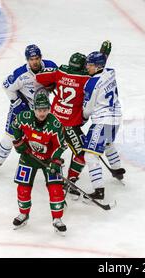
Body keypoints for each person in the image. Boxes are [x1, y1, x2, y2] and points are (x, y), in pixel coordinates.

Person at [35, 41, 112, 198]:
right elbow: (98, 71)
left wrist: (52, 84)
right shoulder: (86, 79)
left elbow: (40, 78)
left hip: (53, 119)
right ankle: (69, 181)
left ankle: (56, 172)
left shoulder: (60, 72)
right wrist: (104, 54)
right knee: (81, 154)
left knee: (55, 148)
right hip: (69, 125)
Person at [0, 44, 57, 176]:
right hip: (23, 107)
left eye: (36, 58)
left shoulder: (51, 67)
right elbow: (6, 86)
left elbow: (59, 80)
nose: (34, 61)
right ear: (27, 60)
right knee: (10, 136)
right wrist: (17, 103)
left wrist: (55, 85)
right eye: (31, 59)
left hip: (43, 109)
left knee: (49, 135)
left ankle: (53, 161)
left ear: (41, 57)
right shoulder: (21, 74)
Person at [11, 91, 68, 235]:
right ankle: (23, 214)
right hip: (29, 158)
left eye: (45, 110)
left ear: (49, 109)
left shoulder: (55, 124)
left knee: (56, 189)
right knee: (23, 188)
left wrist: (55, 161)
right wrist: (19, 142)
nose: (42, 113)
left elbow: (61, 145)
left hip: (48, 160)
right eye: (39, 110)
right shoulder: (24, 117)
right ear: (34, 109)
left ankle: (57, 219)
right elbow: (15, 125)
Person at [82, 51, 124, 200]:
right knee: (108, 144)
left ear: (98, 65)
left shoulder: (91, 84)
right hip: (116, 119)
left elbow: (87, 109)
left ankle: (99, 190)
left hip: (102, 120)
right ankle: (118, 169)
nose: (87, 67)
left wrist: (82, 119)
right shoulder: (111, 72)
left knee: (90, 155)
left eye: (90, 64)